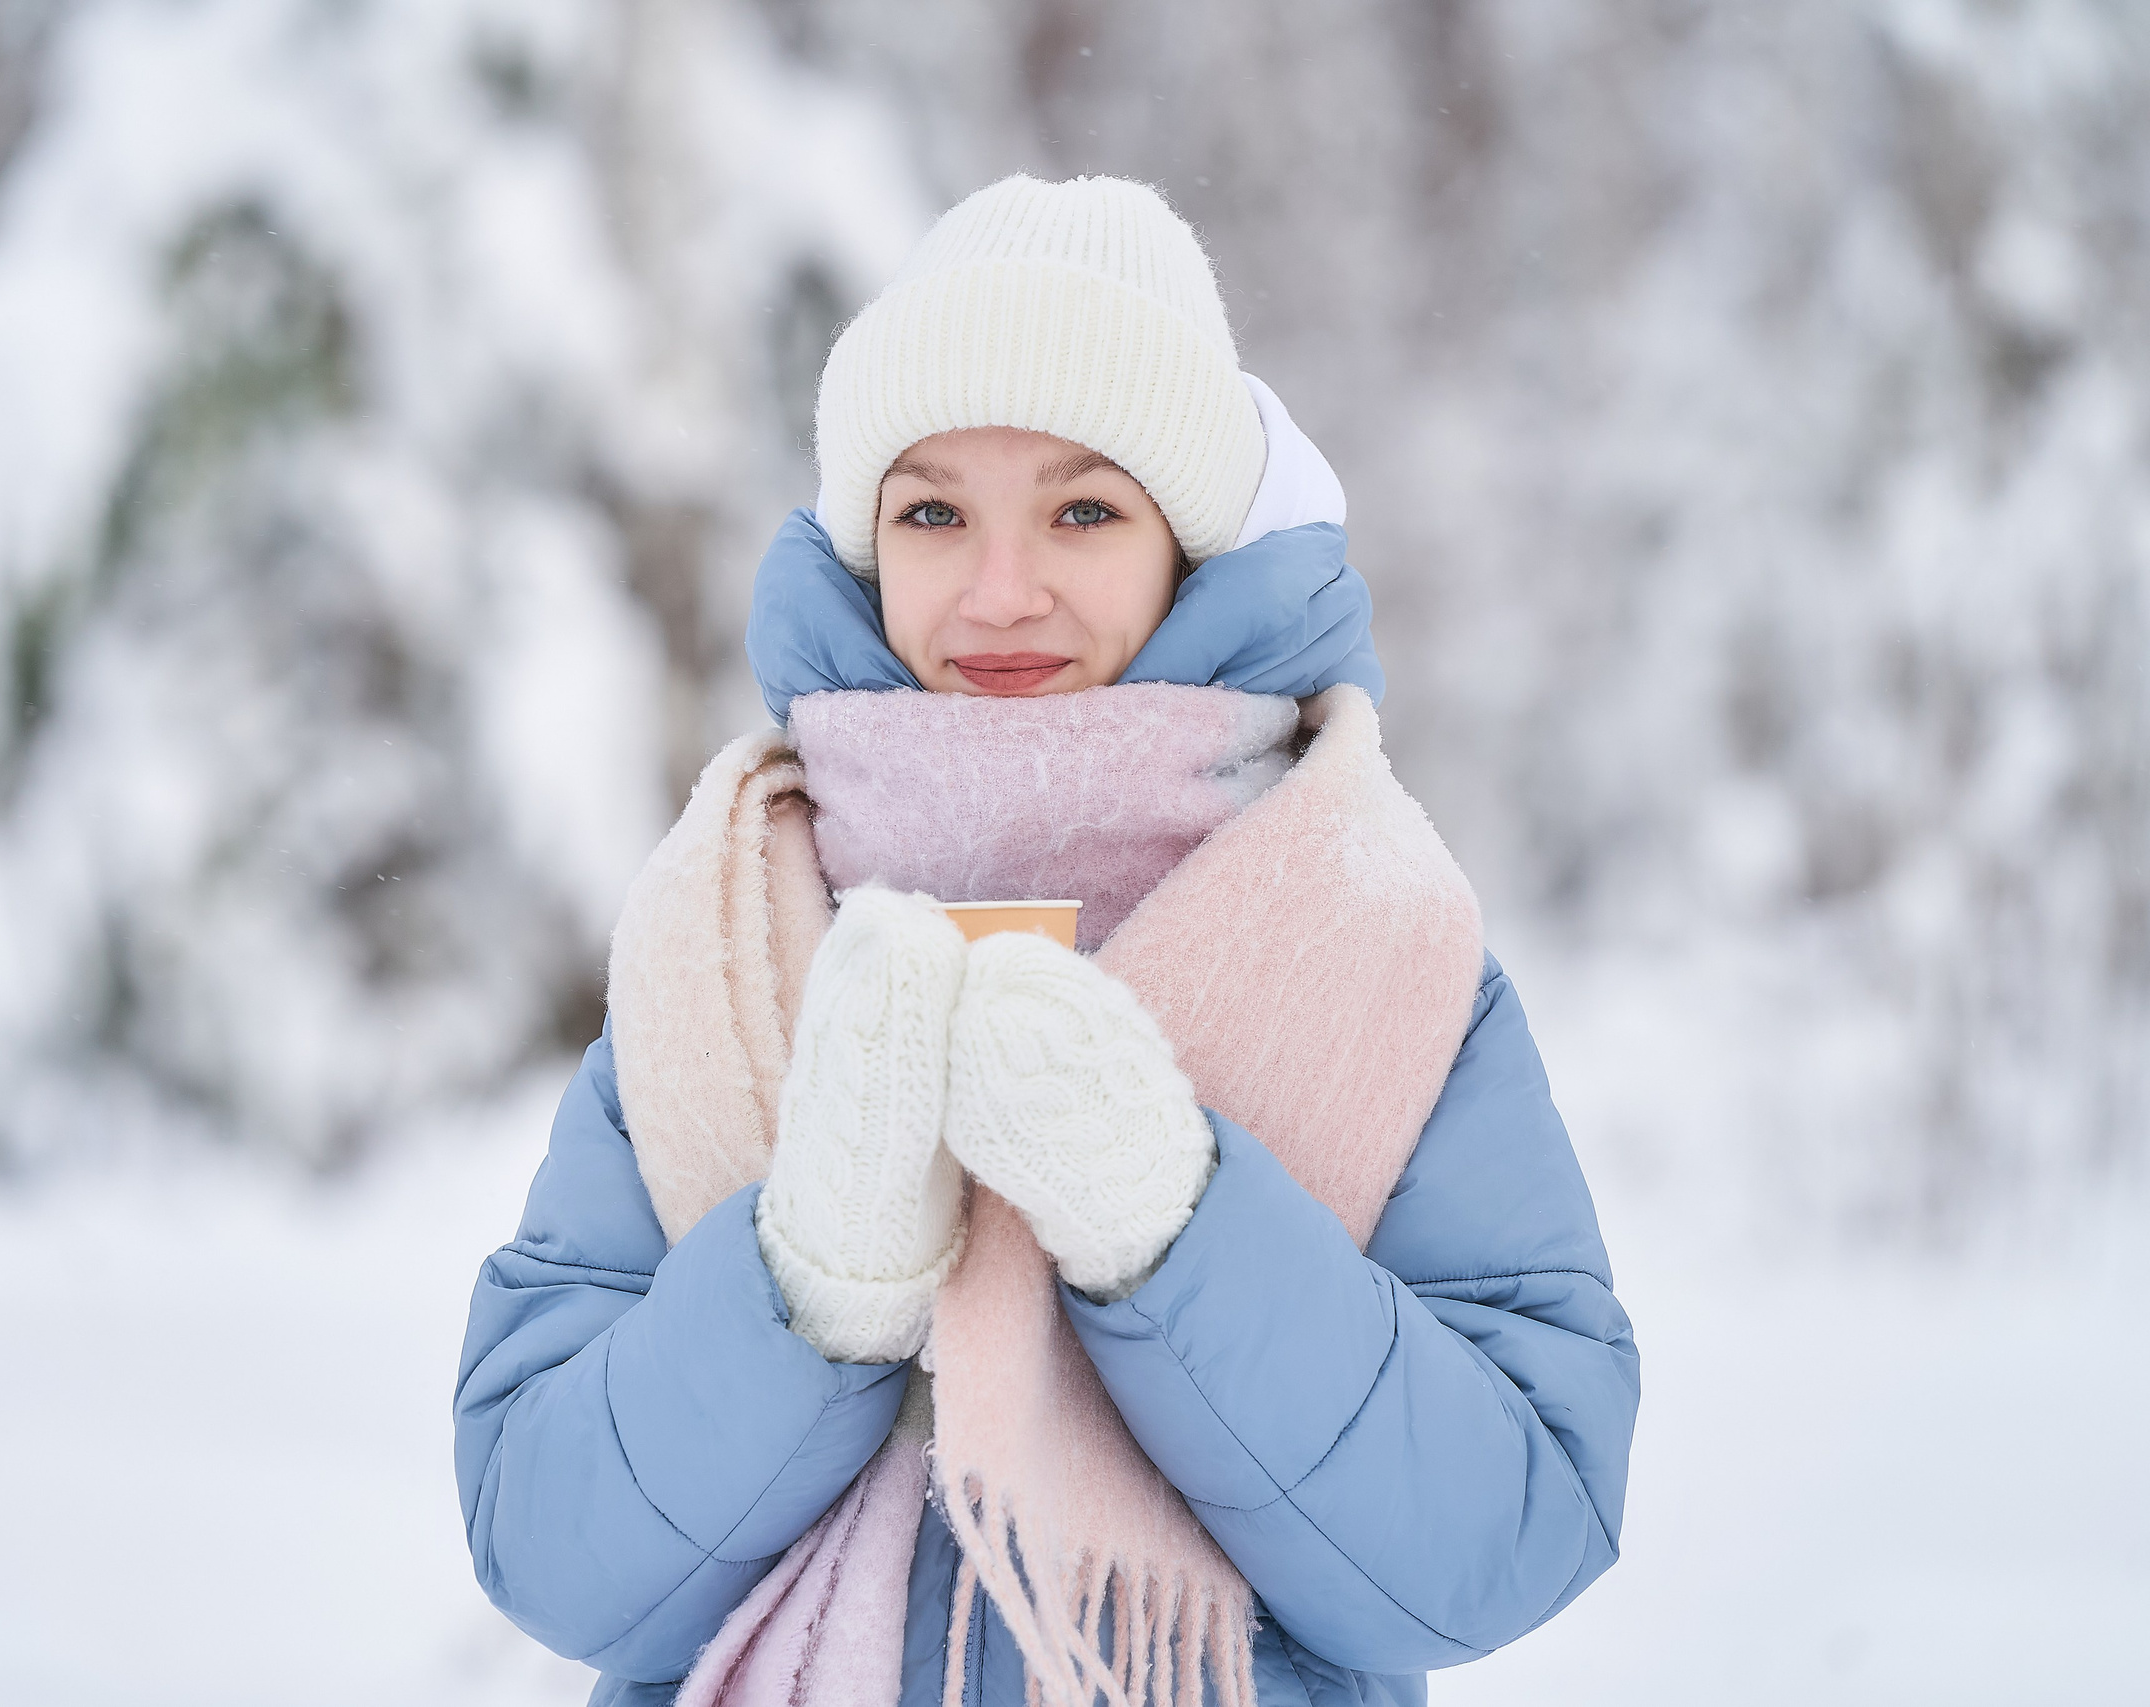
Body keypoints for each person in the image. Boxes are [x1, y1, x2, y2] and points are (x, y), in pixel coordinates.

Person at [455, 174, 1638, 1707]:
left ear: (1188, 545)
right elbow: (548, 1547)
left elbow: (1515, 1525)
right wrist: (810, 1288)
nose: (1000, 590)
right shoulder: (733, 935)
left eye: (1082, 508)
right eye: (934, 511)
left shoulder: (1370, 933)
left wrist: (1175, 1226)